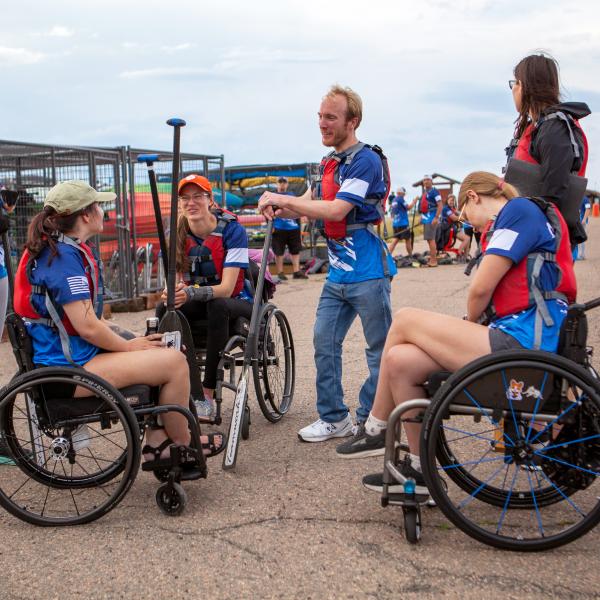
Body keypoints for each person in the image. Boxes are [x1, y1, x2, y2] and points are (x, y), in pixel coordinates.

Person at [336, 172, 576, 495]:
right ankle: (421, 474)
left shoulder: (518, 211)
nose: (471, 228)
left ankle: (377, 427)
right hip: (521, 339)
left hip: (521, 341)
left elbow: (480, 289)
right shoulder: (523, 216)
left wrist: (470, 322)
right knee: (399, 361)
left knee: (404, 320)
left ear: (473, 197)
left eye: (465, 218)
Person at [13, 180, 223, 468]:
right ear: (85, 215)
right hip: (66, 371)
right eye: (99, 205)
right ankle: (182, 443)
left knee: (161, 348)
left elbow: (91, 321)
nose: (104, 211)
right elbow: (87, 326)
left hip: (71, 361)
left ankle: (157, 440)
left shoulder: (63, 251)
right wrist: (128, 346)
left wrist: (136, 339)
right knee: (174, 362)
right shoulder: (62, 259)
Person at [258, 84, 396, 444]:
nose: (322, 123)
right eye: (320, 116)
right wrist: (278, 205)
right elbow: (310, 199)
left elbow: (337, 209)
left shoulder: (365, 159)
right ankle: (334, 418)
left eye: (330, 117)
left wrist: (283, 198)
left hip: (368, 271)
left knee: (379, 349)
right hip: (337, 274)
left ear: (353, 122)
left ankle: (370, 419)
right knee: (323, 341)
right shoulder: (327, 163)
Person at [156, 174, 253, 419]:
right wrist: (172, 293)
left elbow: (228, 288)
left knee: (218, 305)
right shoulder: (176, 234)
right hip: (198, 301)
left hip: (235, 302)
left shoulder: (233, 230)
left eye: (198, 196)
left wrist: (188, 292)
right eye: (185, 198)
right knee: (164, 309)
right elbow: (176, 282)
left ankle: (206, 394)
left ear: (210, 200)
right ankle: (180, 388)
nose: (191, 202)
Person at [505, 53, 591, 245]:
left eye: (515, 83)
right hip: (535, 230)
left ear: (526, 85)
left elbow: (554, 192)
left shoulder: (554, 127)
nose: (513, 90)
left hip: (544, 238)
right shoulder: (541, 126)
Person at [272, 176, 308, 281]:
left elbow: (298, 210)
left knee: (295, 250)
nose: (282, 184)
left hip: (293, 228)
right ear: (277, 184)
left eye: (284, 182)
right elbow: (267, 211)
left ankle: (296, 271)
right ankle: (280, 272)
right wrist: (271, 227)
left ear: (287, 184)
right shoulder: (273, 196)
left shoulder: (292, 195)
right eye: (280, 182)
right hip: (278, 228)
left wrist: (300, 227)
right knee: (278, 252)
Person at [418, 175, 442, 267]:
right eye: (424, 180)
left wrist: (436, 217)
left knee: (431, 239)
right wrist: (421, 217)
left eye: (428, 180)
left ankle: (433, 261)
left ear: (431, 181)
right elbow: (424, 206)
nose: (426, 181)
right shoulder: (425, 192)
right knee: (429, 239)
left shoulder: (434, 192)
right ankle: (432, 260)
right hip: (426, 218)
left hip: (431, 218)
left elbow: (440, 205)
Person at [388, 187, 417, 257]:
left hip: (395, 223)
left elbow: (392, 212)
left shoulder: (394, 200)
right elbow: (408, 207)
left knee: (395, 240)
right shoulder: (400, 199)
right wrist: (414, 202)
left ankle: (388, 256)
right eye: (404, 194)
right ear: (401, 193)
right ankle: (410, 256)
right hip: (403, 223)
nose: (404, 195)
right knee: (408, 240)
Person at [573, 195, 591, 260]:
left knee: (581, 238)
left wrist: (584, 219)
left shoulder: (585, 199)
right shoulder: (576, 198)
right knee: (576, 238)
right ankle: (578, 254)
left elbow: (588, 209)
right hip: (576, 221)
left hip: (582, 222)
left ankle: (581, 255)